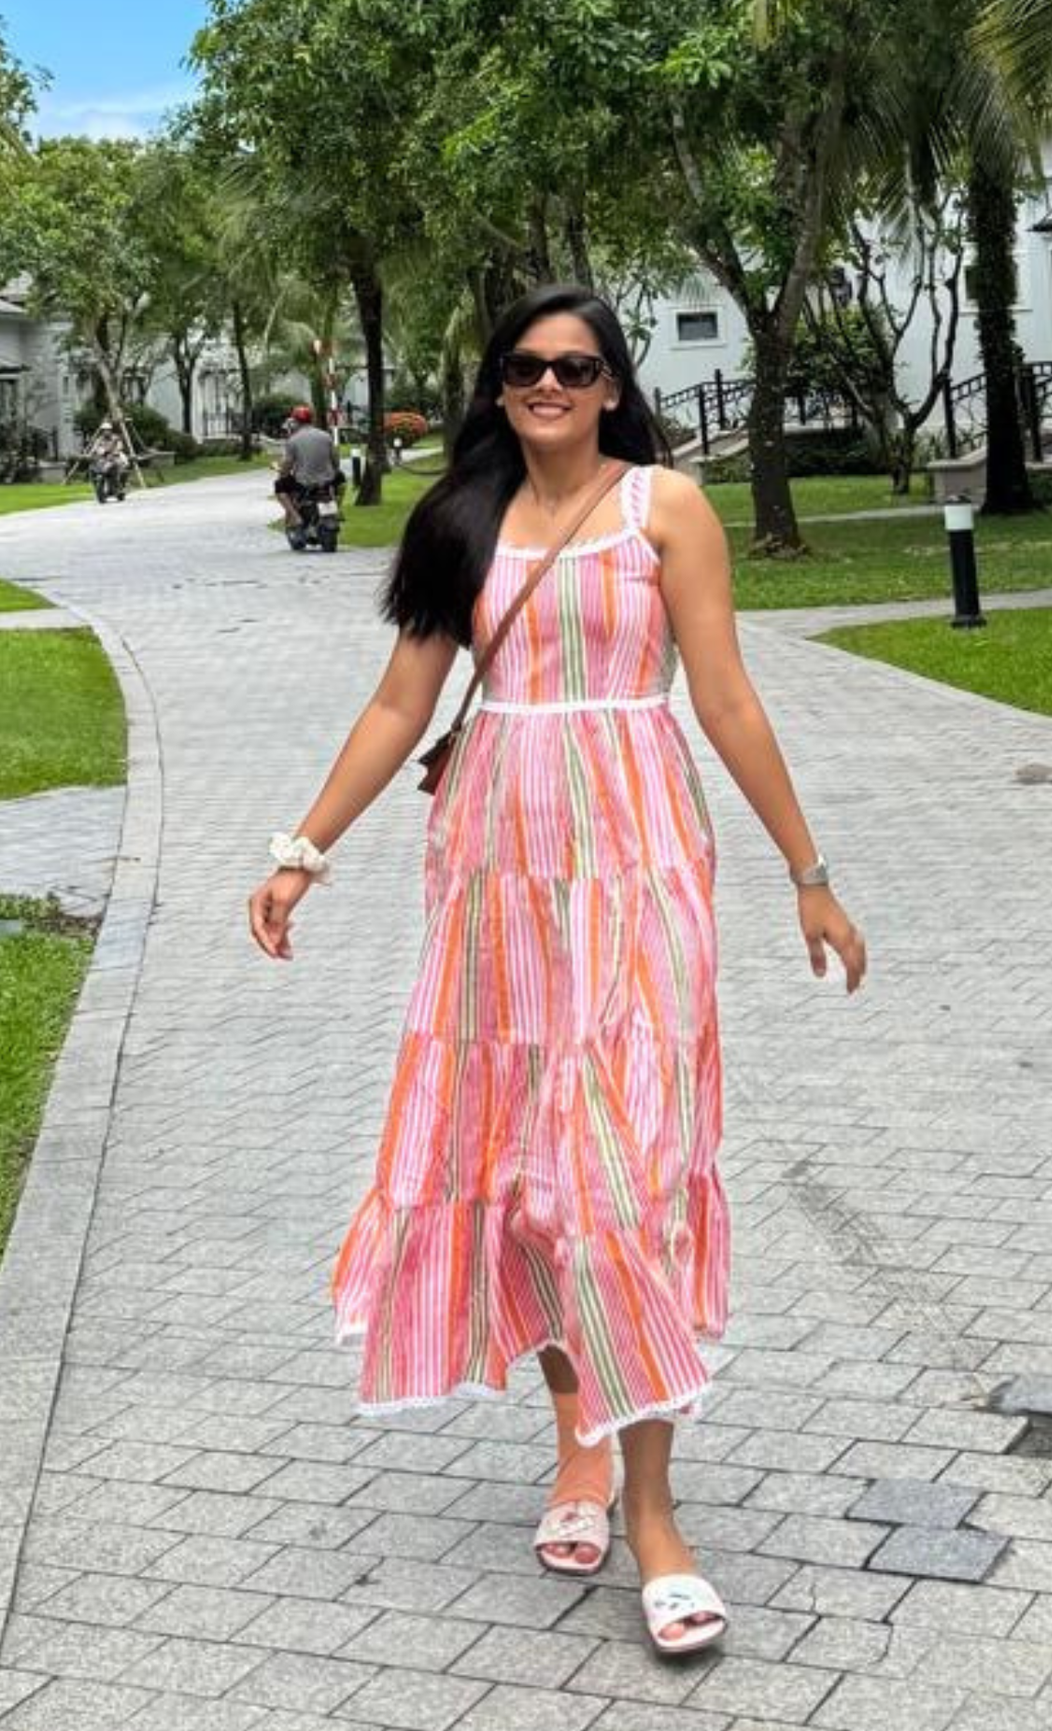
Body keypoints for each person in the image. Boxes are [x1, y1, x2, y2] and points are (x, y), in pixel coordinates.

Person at [249, 287, 866, 1660]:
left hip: (639, 863)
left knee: (620, 1184)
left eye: (574, 367)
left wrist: (808, 871)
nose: (548, 385)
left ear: (609, 385)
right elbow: (403, 703)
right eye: (526, 366)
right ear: (498, 385)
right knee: (532, 1180)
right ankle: (575, 1441)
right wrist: (303, 848)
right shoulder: (460, 522)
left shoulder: (669, 509)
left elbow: (726, 696)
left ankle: (656, 1515)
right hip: (494, 881)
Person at [274, 405, 342, 507]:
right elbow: (336, 462)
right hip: (327, 482)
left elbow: (287, 466)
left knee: (279, 485)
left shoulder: (293, 440)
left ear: (295, 421)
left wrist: (282, 473)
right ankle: (337, 506)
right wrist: (333, 472)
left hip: (303, 484)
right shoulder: (326, 436)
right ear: (312, 419)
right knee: (341, 478)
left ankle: (294, 516)